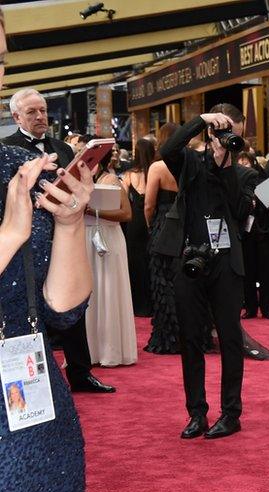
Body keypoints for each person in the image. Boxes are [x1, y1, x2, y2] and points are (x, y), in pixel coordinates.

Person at [0, 13, 96, 492]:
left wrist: (67, 226)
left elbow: (62, 309)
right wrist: (9, 234)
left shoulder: (15, 162)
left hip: (32, 410)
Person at [2, 88, 115, 394]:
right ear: (16, 117)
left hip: (64, 239)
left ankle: (81, 372)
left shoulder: (62, 148)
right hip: (21, 252)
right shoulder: (7, 151)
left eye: (43, 110)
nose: (40, 117)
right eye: (32, 112)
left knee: (73, 312)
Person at [154, 105, 250, 440]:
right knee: (191, 338)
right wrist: (200, 122)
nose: (228, 137)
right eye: (222, 131)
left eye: (233, 132)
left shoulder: (240, 170)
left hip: (226, 263)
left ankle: (231, 413)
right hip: (190, 257)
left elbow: (240, 210)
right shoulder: (190, 162)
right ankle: (197, 413)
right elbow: (166, 148)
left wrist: (227, 162)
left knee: (230, 338)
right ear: (211, 132)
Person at [84, 160, 138, 367]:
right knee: (89, 292)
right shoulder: (76, 181)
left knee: (109, 289)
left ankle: (112, 349)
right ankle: (90, 350)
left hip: (109, 238)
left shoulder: (112, 180)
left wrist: (92, 212)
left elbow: (126, 214)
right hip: (84, 238)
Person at [144, 123, 181, 354]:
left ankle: (168, 337)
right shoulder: (190, 164)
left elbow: (149, 204)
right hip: (187, 225)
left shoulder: (158, 167)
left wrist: (151, 226)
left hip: (163, 225)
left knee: (162, 281)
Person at [237, 151, 269, 319]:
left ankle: (267, 308)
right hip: (245, 235)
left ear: (253, 163)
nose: (243, 166)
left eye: (246, 162)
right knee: (247, 273)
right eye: (240, 163)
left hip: (266, 234)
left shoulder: (267, 181)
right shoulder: (236, 185)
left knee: (267, 273)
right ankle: (250, 308)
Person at [121, 137, 154, 316]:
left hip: (134, 220)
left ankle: (138, 305)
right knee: (151, 260)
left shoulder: (129, 175)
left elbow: (124, 199)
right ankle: (152, 303)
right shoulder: (156, 172)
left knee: (135, 261)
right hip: (152, 218)